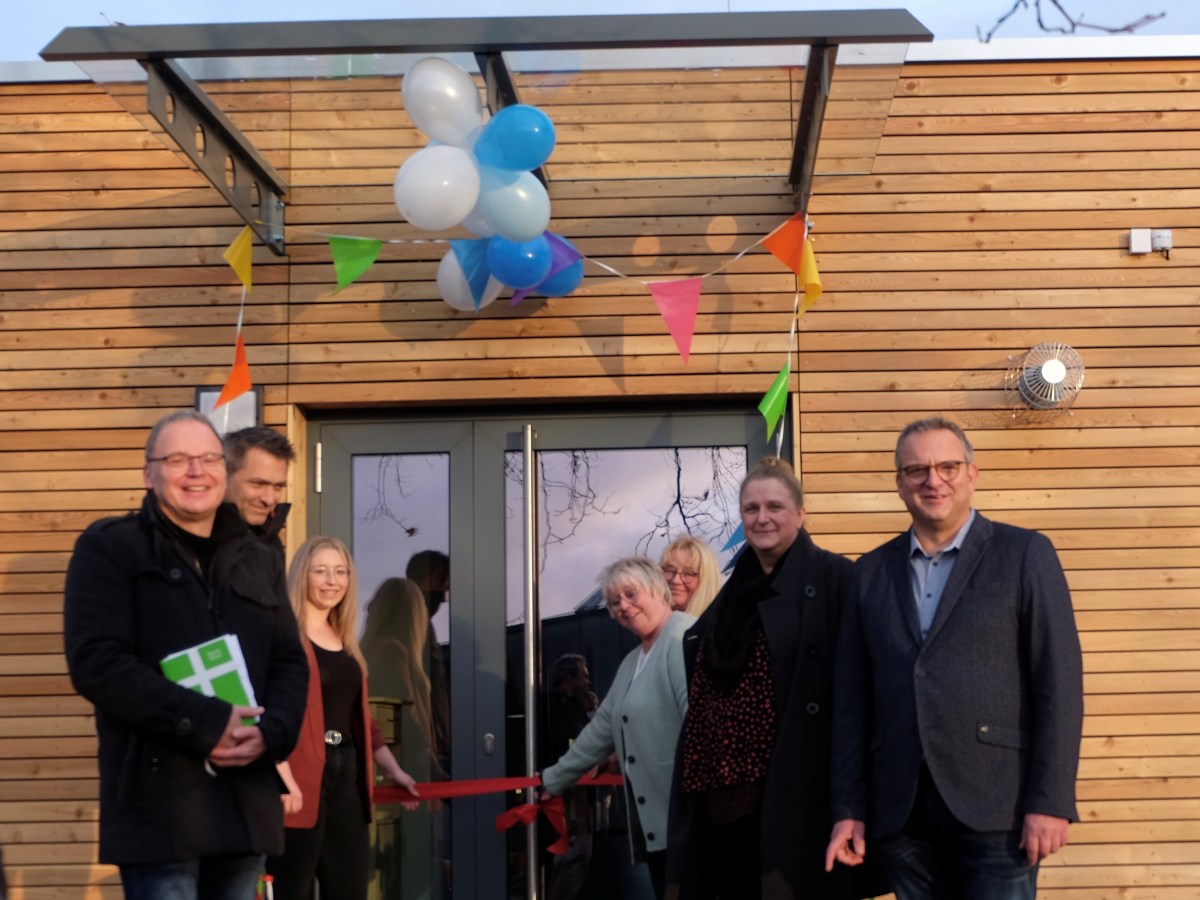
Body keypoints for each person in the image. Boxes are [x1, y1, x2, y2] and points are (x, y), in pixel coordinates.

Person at [825, 417, 1084, 900]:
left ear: (972, 474)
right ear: (899, 484)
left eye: (947, 466)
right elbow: (851, 705)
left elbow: (1059, 681)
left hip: (997, 807)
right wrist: (849, 809)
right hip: (902, 814)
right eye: (916, 469)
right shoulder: (870, 573)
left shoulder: (1024, 553)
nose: (933, 480)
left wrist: (1050, 800)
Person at [63, 410, 309, 899]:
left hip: (245, 804)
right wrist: (206, 722)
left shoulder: (260, 556)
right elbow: (97, 663)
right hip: (160, 807)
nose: (196, 471)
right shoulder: (110, 548)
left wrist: (273, 733)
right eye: (177, 459)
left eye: (208, 458)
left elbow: (288, 661)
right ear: (149, 474)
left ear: (224, 469)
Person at [666, 456, 885, 900]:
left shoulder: (838, 578)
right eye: (751, 509)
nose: (762, 518)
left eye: (775, 507)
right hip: (720, 798)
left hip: (797, 797)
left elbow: (865, 693)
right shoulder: (731, 595)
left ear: (801, 514)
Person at [267, 537, 419, 900]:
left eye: (340, 572)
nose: (331, 580)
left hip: (343, 764)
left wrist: (394, 770)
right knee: (291, 889)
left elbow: (354, 722)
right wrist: (282, 775)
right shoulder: (283, 634)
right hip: (299, 776)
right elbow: (263, 707)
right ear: (302, 575)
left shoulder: (345, 640)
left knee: (350, 886)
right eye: (320, 571)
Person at [541, 558, 695, 900]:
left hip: (690, 826)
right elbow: (601, 732)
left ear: (657, 590)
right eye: (614, 601)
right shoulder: (633, 661)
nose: (623, 606)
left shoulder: (682, 637)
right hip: (659, 826)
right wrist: (553, 779)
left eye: (630, 593)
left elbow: (700, 726)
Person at [223, 426, 295, 549]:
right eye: (258, 484)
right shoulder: (195, 542)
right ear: (224, 476)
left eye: (278, 486)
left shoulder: (270, 544)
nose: (269, 499)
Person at [658, 535, 721, 617]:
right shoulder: (643, 626)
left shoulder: (719, 625)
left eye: (688, 574)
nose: (676, 580)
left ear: (707, 581)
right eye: (670, 570)